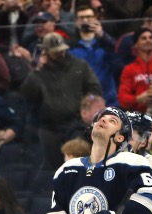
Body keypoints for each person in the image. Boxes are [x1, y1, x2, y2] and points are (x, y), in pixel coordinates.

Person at [21, 32, 103, 168]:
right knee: (52, 166)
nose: (60, 54)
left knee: (76, 161)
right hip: (49, 127)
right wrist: (37, 70)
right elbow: (27, 94)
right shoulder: (39, 73)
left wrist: (88, 103)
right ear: (45, 52)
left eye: (61, 50)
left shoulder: (79, 66)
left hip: (76, 123)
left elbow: (95, 88)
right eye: (55, 52)